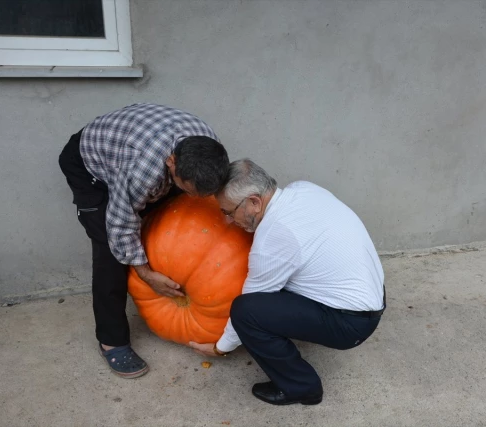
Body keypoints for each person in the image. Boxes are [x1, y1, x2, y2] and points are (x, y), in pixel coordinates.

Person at [189, 159, 385, 405]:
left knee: (246, 312)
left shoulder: (274, 236)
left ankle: (302, 388)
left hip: (351, 323)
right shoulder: (303, 188)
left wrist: (221, 347)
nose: (229, 220)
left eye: (229, 212)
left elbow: (252, 302)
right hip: (373, 294)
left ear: (254, 202)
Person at [59, 103, 229, 378]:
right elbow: (121, 224)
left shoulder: (208, 148)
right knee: (109, 252)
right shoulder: (143, 171)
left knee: (162, 214)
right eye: (188, 189)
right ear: (171, 163)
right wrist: (146, 274)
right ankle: (111, 340)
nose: (195, 199)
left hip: (134, 145)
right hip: (89, 164)